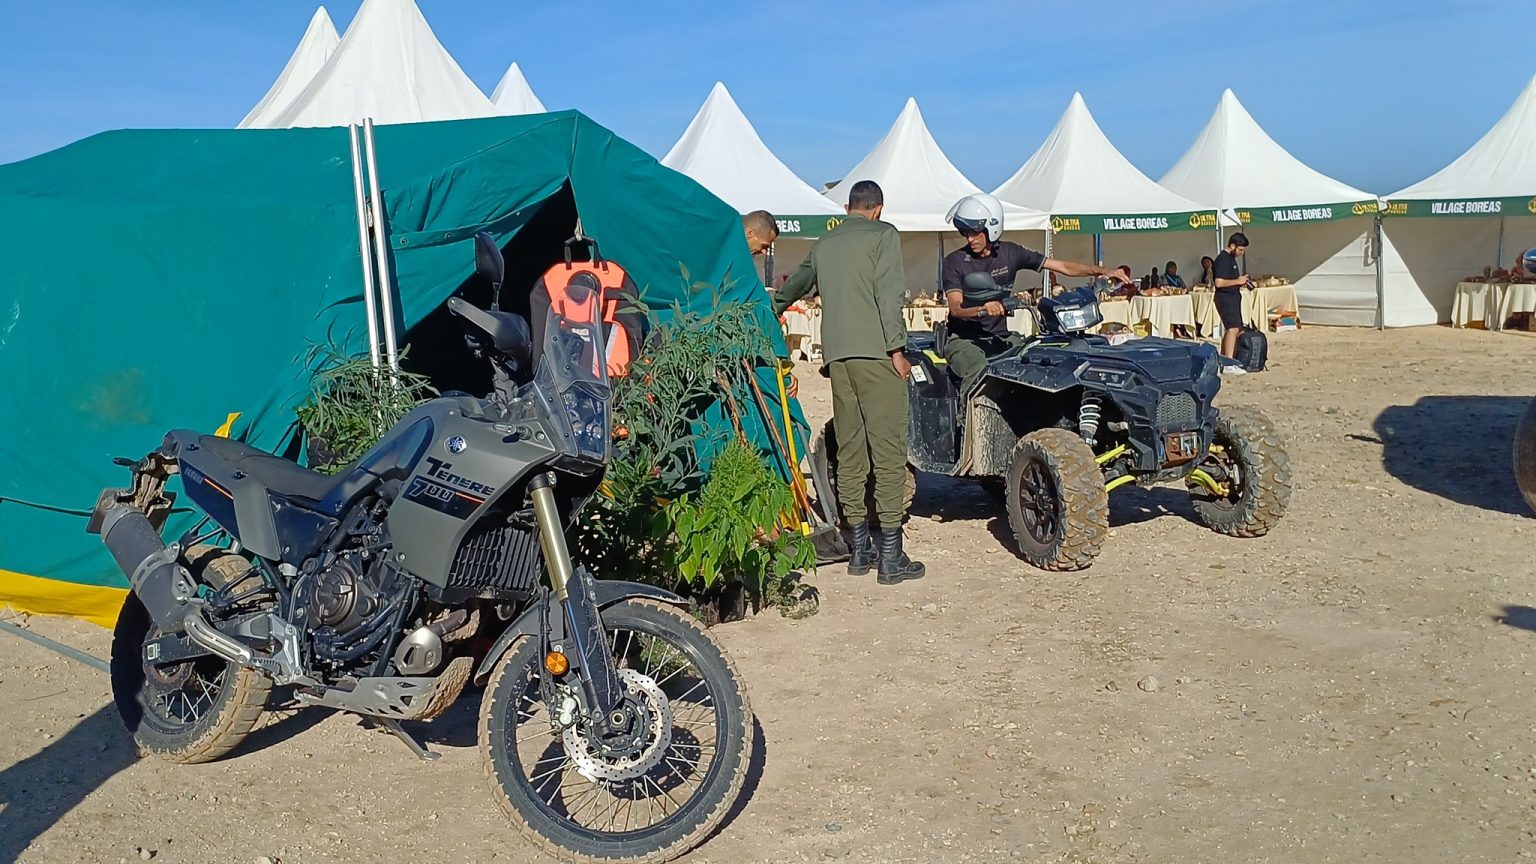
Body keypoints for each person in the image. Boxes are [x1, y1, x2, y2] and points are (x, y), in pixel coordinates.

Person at [773, 180, 923, 585]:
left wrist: (773, 307)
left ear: (846, 207)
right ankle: (890, 557)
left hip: (837, 358)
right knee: (888, 452)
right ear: (878, 209)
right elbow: (888, 293)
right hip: (877, 354)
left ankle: (859, 549)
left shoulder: (826, 242)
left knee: (851, 451)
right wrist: (897, 349)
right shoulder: (883, 235)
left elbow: (794, 285)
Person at [941, 193, 1119, 398]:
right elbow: (956, 308)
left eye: (974, 232)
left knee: (1038, 358)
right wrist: (983, 309)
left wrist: (1102, 271)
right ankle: (968, 418)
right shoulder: (955, 262)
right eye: (965, 233)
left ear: (992, 227)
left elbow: (1062, 266)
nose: (970, 238)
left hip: (1000, 336)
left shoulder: (1010, 253)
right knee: (977, 369)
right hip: (963, 340)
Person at [1213, 232, 1251, 371]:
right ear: (1232, 245)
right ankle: (1228, 364)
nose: (1241, 253)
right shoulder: (1223, 259)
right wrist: (1237, 281)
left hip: (1233, 297)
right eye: (1240, 249)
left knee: (1234, 328)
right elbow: (1219, 282)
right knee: (1232, 328)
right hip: (1225, 298)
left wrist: (1240, 282)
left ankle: (1224, 359)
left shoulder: (1231, 259)